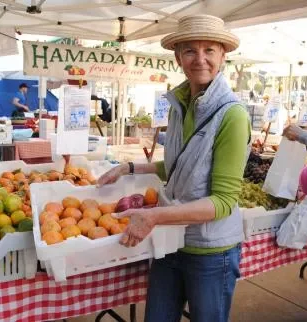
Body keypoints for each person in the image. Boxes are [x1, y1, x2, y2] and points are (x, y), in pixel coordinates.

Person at [98, 15, 251, 322]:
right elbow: (176, 166)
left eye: (209, 50)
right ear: (178, 56)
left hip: (210, 251)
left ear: (223, 55)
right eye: (190, 50)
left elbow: (223, 202)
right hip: (171, 241)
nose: (200, 59)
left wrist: (153, 216)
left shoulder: (232, 116)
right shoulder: (180, 104)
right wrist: (128, 167)